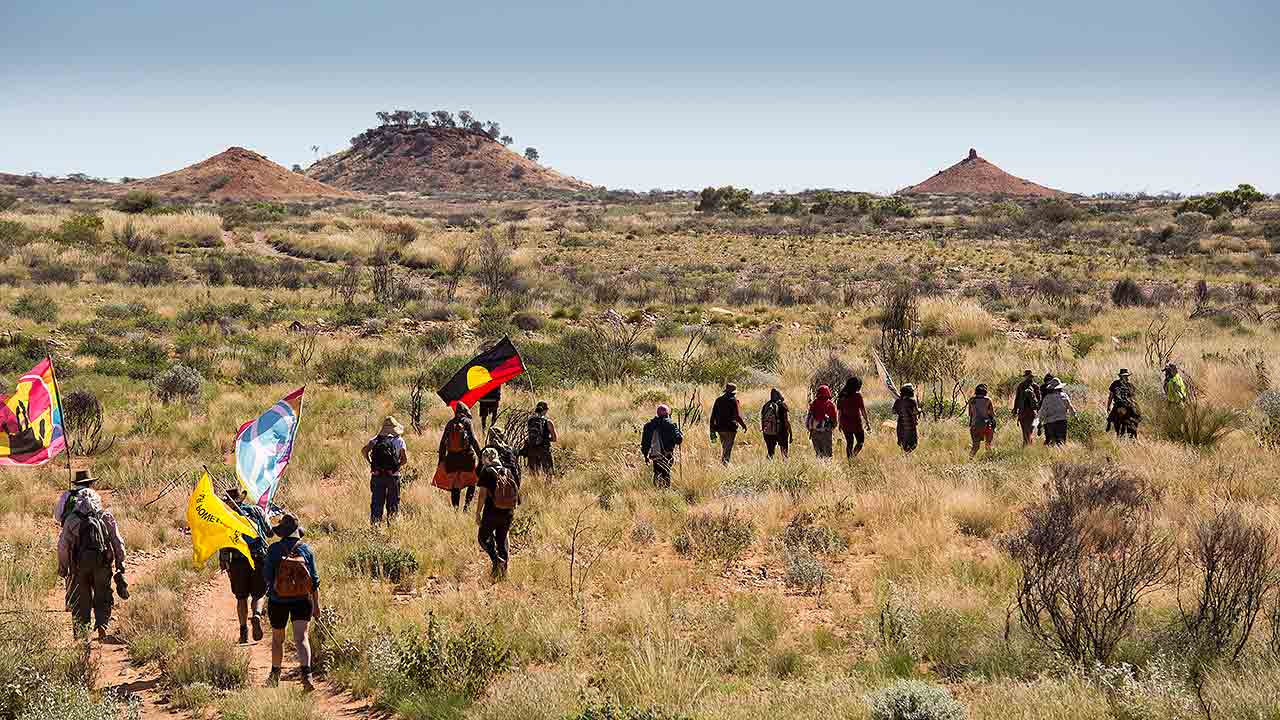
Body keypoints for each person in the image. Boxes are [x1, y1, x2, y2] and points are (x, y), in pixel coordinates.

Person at [57, 484, 126, 641]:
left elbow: (62, 546)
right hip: (102, 564)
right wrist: (120, 563)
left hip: (78, 567)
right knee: (103, 595)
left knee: (81, 601)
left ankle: (82, 637)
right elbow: (118, 542)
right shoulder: (106, 517)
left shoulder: (71, 520)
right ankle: (102, 626)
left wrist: (63, 568)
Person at [263, 513, 320, 691]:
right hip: (303, 600)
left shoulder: (273, 550)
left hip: (278, 600)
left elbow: (267, 577)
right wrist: (316, 606)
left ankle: (274, 675)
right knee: (302, 638)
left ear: (282, 533)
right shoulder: (307, 550)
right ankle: (307, 675)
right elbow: (315, 582)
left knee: (278, 639)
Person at [220, 486, 273, 644]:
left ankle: (243, 631)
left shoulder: (227, 517)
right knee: (259, 594)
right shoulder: (257, 511)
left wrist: (225, 565)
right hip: (259, 557)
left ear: (229, 503)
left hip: (238, 560)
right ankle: (256, 614)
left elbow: (224, 545)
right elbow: (270, 533)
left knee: (241, 597)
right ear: (241, 499)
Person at [475, 447, 521, 581]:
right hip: (508, 512)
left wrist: (478, 512)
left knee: (483, 538)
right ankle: (502, 572)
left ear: (486, 458)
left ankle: (497, 560)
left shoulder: (487, 471)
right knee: (502, 539)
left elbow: (482, 495)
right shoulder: (509, 470)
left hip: (491, 512)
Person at [435, 405, 483, 510]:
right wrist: (480, 456)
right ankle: (467, 506)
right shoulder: (467, 422)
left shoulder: (450, 423)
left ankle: (456, 509)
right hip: (467, 457)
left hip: (452, 458)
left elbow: (443, 443)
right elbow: (474, 440)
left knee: (455, 485)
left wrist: (441, 460)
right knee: (472, 481)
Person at [362, 416, 409, 523]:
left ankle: (375, 528)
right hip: (393, 476)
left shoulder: (375, 440)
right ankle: (392, 527)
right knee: (393, 503)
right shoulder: (399, 441)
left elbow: (364, 451)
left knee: (377, 502)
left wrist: (371, 462)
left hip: (377, 475)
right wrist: (396, 467)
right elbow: (405, 460)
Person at [640, 405, 683, 488]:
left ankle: (657, 491)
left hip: (655, 455)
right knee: (666, 473)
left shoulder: (648, 426)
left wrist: (645, 456)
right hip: (667, 455)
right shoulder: (671, 425)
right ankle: (665, 492)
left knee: (657, 472)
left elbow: (645, 443)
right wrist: (679, 433)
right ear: (667, 414)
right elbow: (678, 440)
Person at [709, 383, 747, 464]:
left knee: (724, 447)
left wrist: (712, 429)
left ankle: (724, 463)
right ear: (733, 393)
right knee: (728, 448)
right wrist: (743, 425)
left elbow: (713, 415)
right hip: (730, 428)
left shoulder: (718, 400)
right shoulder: (734, 400)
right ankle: (725, 464)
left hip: (719, 428)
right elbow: (737, 416)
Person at [837, 378, 871, 459]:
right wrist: (867, 422)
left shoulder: (842, 396)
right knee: (860, 442)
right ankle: (853, 456)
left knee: (849, 443)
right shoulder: (857, 396)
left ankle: (850, 460)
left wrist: (840, 423)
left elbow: (840, 412)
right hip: (856, 423)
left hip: (845, 422)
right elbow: (862, 410)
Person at [522, 401, 557, 477]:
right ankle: (547, 488)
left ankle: (535, 487)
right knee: (548, 473)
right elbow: (555, 439)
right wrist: (546, 439)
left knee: (533, 473)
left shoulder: (530, 420)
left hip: (532, 449)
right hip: (544, 449)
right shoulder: (548, 422)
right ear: (545, 410)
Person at [1037, 379, 1076, 446]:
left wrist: (1040, 423)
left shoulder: (1047, 398)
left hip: (1050, 423)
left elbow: (1042, 412)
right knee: (1061, 443)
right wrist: (1075, 416)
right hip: (1062, 422)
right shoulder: (1064, 396)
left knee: (1051, 442)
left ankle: (1051, 455)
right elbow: (1070, 407)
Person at [806, 385, 838, 458]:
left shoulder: (814, 403)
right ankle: (827, 469)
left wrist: (810, 429)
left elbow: (809, 417)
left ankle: (819, 468)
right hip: (826, 432)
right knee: (827, 454)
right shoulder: (829, 404)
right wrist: (833, 427)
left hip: (814, 432)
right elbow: (834, 419)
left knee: (819, 454)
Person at [1012, 370, 1041, 447]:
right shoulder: (1036, 386)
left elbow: (1017, 399)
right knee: (1030, 430)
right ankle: (1029, 446)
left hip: (1023, 412)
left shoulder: (1021, 386)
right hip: (1032, 412)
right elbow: (1039, 400)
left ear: (1025, 377)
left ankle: (1026, 445)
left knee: (1025, 431)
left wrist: (1015, 410)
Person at [760, 388, 792, 459]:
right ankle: (785, 466)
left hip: (768, 433)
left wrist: (764, 430)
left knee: (770, 453)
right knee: (784, 453)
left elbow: (762, 419)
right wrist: (790, 434)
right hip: (782, 432)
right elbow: (786, 421)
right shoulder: (782, 406)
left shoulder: (766, 406)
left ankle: (768, 467)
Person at [967, 384, 997, 457]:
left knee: (975, 446)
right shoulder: (988, 400)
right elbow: (992, 414)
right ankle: (989, 461)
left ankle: (969, 459)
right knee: (988, 445)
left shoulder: (971, 400)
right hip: (986, 425)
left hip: (975, 425)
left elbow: (970, 414)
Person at [893, 384, 922, 453]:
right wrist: (920, 409)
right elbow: (916, 412)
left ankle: (904, 459)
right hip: (910, 427)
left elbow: (893, 411)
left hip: (901, 427)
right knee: (911, 446)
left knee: (903, 445)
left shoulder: (898, 401)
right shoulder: (912, 401)